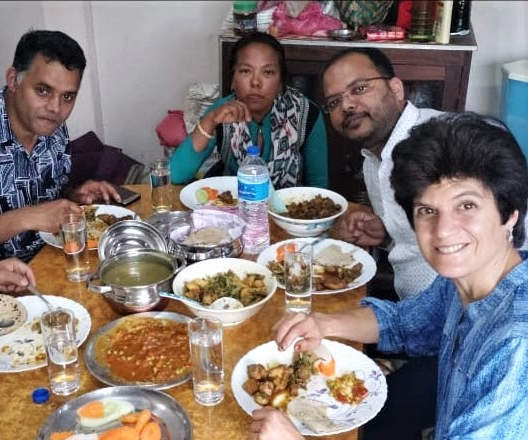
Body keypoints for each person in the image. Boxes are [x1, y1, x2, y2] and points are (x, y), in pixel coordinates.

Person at [248, 112, 528, 440]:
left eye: (466, 206)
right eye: (427, 211)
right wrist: (324, 324)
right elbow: (403, 323)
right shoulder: (468, 280)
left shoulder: (516, 346)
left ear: (509, 214)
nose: (443, 230)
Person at [0, 30, 120, 263]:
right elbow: (35, 213)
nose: (55, 107)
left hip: (54, 263)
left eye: (68, 97)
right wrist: (27, 218)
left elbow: (50, 194)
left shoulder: (53, 128)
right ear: (13, 80)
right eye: (43, 90)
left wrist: (75, 195)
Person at [321, 47, 442, 300]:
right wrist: (386, 235)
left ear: (396, 89)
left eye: (359, 88)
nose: (347, 105)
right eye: (334, 102)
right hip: (409, 311)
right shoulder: (372, 161)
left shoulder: (444, 139)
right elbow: (412, 245)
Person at [170, 32, 328, 189]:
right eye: (245, 71)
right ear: (233, 79)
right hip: (233, 206)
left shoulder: (307, 114)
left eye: (268, 72)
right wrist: (210, 120)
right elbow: (175, 175)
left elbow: (319, 187)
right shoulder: (221, 113)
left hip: (288, 209)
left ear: (280, 83)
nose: (255, 82)